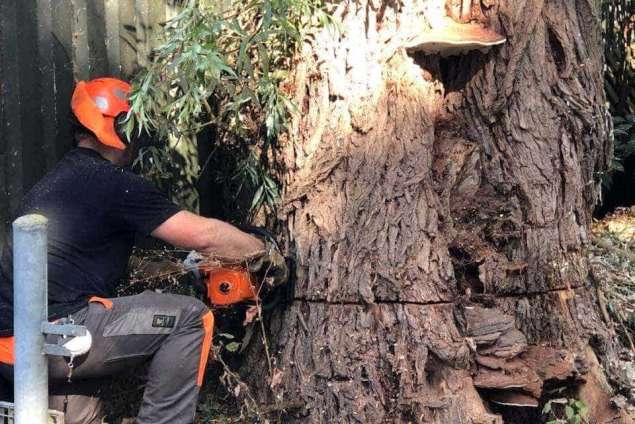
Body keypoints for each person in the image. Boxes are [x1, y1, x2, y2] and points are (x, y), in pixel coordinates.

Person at [0, 77, 280, 424]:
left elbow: (89, 260)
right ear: (118, 127)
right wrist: (264, 252)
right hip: (58, 335)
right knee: (190, 320)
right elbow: (204, 235)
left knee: (82, 414)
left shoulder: (58, 182)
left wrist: (185, 268)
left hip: (15, 351)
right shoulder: (111, 183)